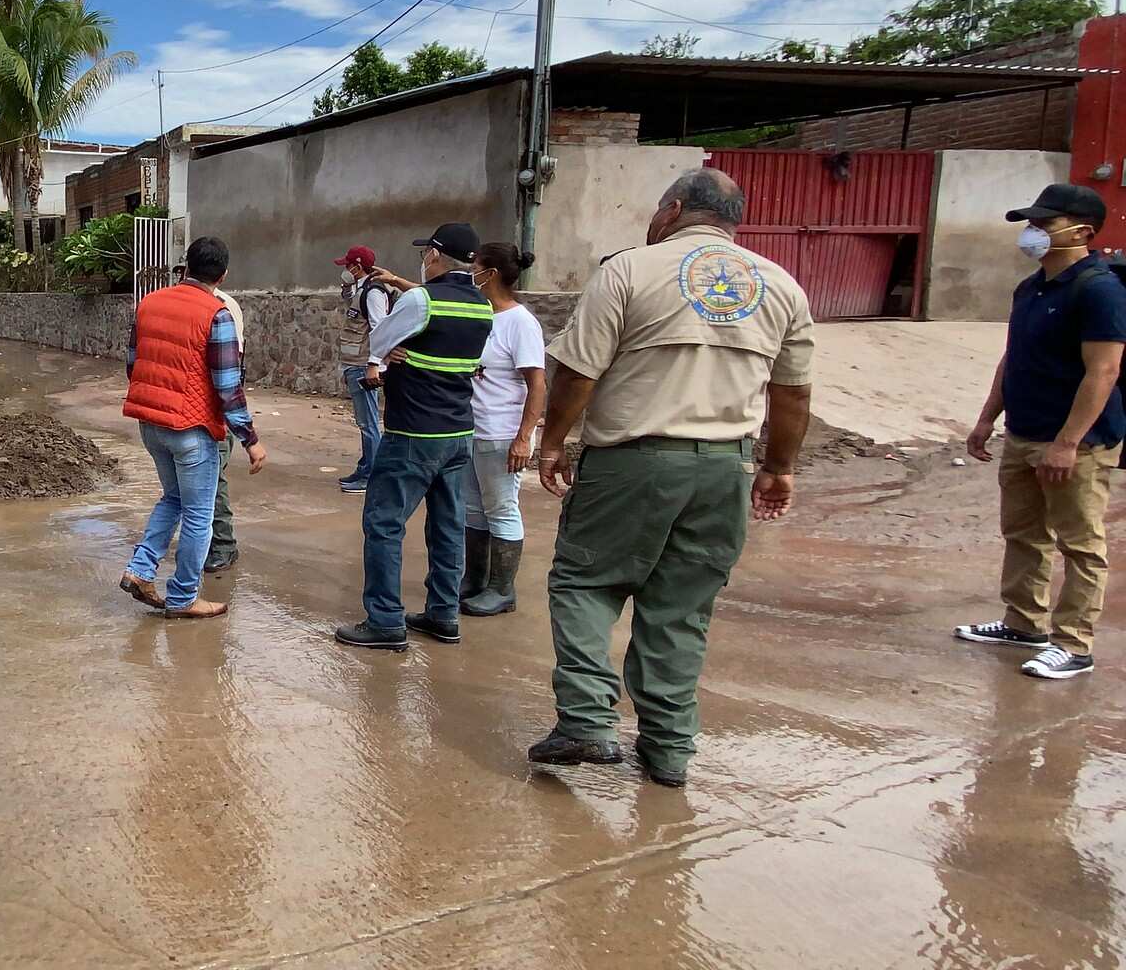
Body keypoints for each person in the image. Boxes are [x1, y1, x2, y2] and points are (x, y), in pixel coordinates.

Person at [528, 168, 813, 788]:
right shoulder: (782, 285)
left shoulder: (630, 270)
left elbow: (579, 372)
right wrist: (779, 469)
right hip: (725, 468)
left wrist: (551, 442)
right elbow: (792, 394)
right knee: (680, 609)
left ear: (673, 208)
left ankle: (586, 722)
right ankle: (669, 751)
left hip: (632, 460)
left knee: (586, 582)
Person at [957, 184, 1125, 681]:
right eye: (1031, 224)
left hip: (1076, 443)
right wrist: (989, 417)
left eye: (1043, 225)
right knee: (1025, 534)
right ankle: (1023, 623)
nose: (1033, 234)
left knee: (1080, 543)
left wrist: (1068, 443)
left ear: (1083, 232)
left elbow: (1104, 371)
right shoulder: (1030, 287)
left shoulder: (1098, 289)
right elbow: (1015, 356)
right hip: (1024, 432)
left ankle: (1074, 644)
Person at [333, 221, 493, 652]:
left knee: (383, 523)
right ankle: (443, 614)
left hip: (413, 432)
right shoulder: (482, 306)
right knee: (448, 526)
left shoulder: (422, 299)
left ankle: (385, 620)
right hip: (459, 433)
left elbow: (381, 339)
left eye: (427, 253)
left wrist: (397, 353)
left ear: (435, 256)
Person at [119, 236, 268, 619]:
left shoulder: (148, 304)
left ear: (185, 266)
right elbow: (227, 386)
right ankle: (184, 596)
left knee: (172, 500)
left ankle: (140, 570)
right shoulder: (216, 313)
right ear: (223, 274)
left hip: (150, 423)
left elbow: (133, 364)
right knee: (199, 514)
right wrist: (250, 439)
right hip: (190, 428)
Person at [460, 242, 547, 618]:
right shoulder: (482, 315)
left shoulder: (520, 322)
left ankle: (502, 588)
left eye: (474, 267)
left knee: (501, 508)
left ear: (490, 274)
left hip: (501, 431)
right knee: (473, 509)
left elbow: (537, 384)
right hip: (472, 429)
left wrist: (524, 437)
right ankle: (474, 579)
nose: (470, 274)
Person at [336, 246, 391, 494]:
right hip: (355, 364)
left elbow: (379, 328)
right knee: (363, 422)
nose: (346, 270)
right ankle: (365, 465)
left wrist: (374, 365)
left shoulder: (373, 292)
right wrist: (347, 286)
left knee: (369, 423)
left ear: (358, 267)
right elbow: (351, 306)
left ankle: (372, 475)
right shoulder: (361, 290)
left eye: (348, 266)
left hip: (363, 366)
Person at [205, 285, 247, 575]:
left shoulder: (221, 308)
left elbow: (229, 377)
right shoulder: (199, 304)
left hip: (216, 410)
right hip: (194, 409)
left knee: (213, 478)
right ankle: (212, 540)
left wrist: (249, 436)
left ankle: (222, 544)